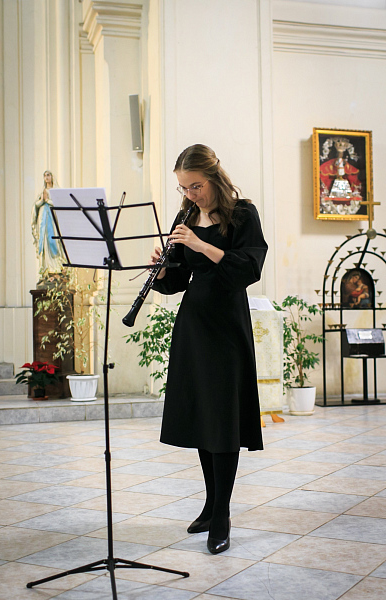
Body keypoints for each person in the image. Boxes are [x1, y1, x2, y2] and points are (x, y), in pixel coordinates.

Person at [150, 144, 267, 554]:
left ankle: (222, 516)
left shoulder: (243, 214)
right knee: (203, 417)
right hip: (193, 326)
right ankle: (210, 504)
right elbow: (177, 281)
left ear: (213, 177)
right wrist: (162, 269)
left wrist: (201, 246)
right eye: (183, 188)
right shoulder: (185, 217)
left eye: (195, 186)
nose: (190, 194)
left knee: (224, 420)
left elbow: (247, 268)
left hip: (226, 327)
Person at [31, 170, 65, 277]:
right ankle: (45, 267)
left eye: (48, 175)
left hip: (52, 218)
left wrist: (48, 201)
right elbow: (36, 205)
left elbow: (59, 204)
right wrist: (42, 201)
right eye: (45, 176)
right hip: (42, 220)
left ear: (52, 177)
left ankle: (56, 267)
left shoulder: (55, 191)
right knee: (44, 241)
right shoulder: (42, 191)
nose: (46, 177)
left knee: (53, 240)